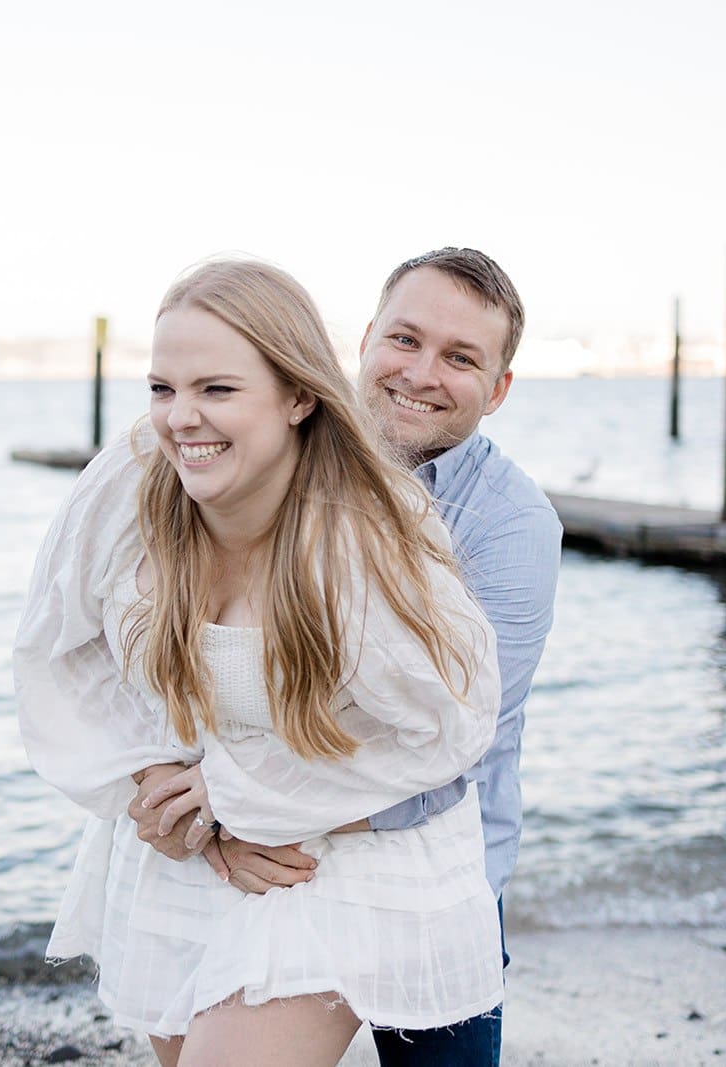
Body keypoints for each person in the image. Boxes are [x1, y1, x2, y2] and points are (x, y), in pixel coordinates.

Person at [14, 259, 507, 1066]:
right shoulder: (135, 481)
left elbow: (450, 725)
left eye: (217, 388)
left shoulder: (364, 536)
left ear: (299, 395)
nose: (180, 418)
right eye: (162, 387)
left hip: (336, 853)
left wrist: (241, 799)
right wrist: (157, 787)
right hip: (193, 846)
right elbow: (58, 653)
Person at [130, 248, 562, 1066]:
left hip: (423, 861)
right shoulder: (273, 460)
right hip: (262, 855)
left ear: (498, 388)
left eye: (461, 357)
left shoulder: (510, 524)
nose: (422, 372)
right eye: (405, 339)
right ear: (365, 340)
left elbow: (457, 748)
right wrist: (191, 807)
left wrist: (234, 810)